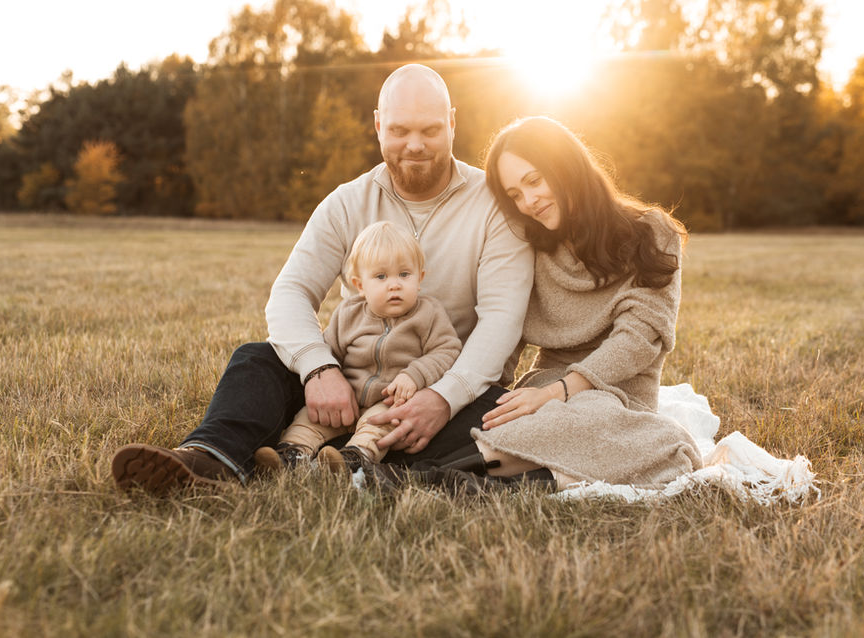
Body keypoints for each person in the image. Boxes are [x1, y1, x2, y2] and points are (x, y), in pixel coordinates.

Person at [110, 64, 534, 492]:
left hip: (448, 390)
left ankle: (356, 467)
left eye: (431, 130)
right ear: (377, 125)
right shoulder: (347, 202)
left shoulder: (494, 204)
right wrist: (319, 370)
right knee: (257, 360)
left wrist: (442, 398)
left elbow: (502, 319)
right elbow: (291, 292)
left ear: (453, 123)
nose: (415, 145)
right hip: (349, 386)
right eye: (400, 129)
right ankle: (210, 460)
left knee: (499, 416)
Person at [391, 115, 702, 493]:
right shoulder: (529, 243)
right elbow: (507, 328)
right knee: (488, 416)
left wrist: (559, 393)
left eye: (534, 181)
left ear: (566, 166)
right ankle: (463, 474)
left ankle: (439, 477)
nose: (529, 202)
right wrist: (480, 395)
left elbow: (637, 341)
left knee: (665, 444)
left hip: (618, 399)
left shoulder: (652, 232)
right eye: (515, 195)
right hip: (543, 388)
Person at [254, 221, 461, 474]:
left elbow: (447, 350)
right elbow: (329, 350)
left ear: (420, 278)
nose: (394, 285)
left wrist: (414, 374)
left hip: (390, 400)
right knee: (309, 419)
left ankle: (353, 459)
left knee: (380, 426)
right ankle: (290, 454)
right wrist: (326, 375)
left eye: (404, 274)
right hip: (346, 399)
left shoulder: (429, 313)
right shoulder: (349, 314)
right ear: (360, 285)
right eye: (381, 277)